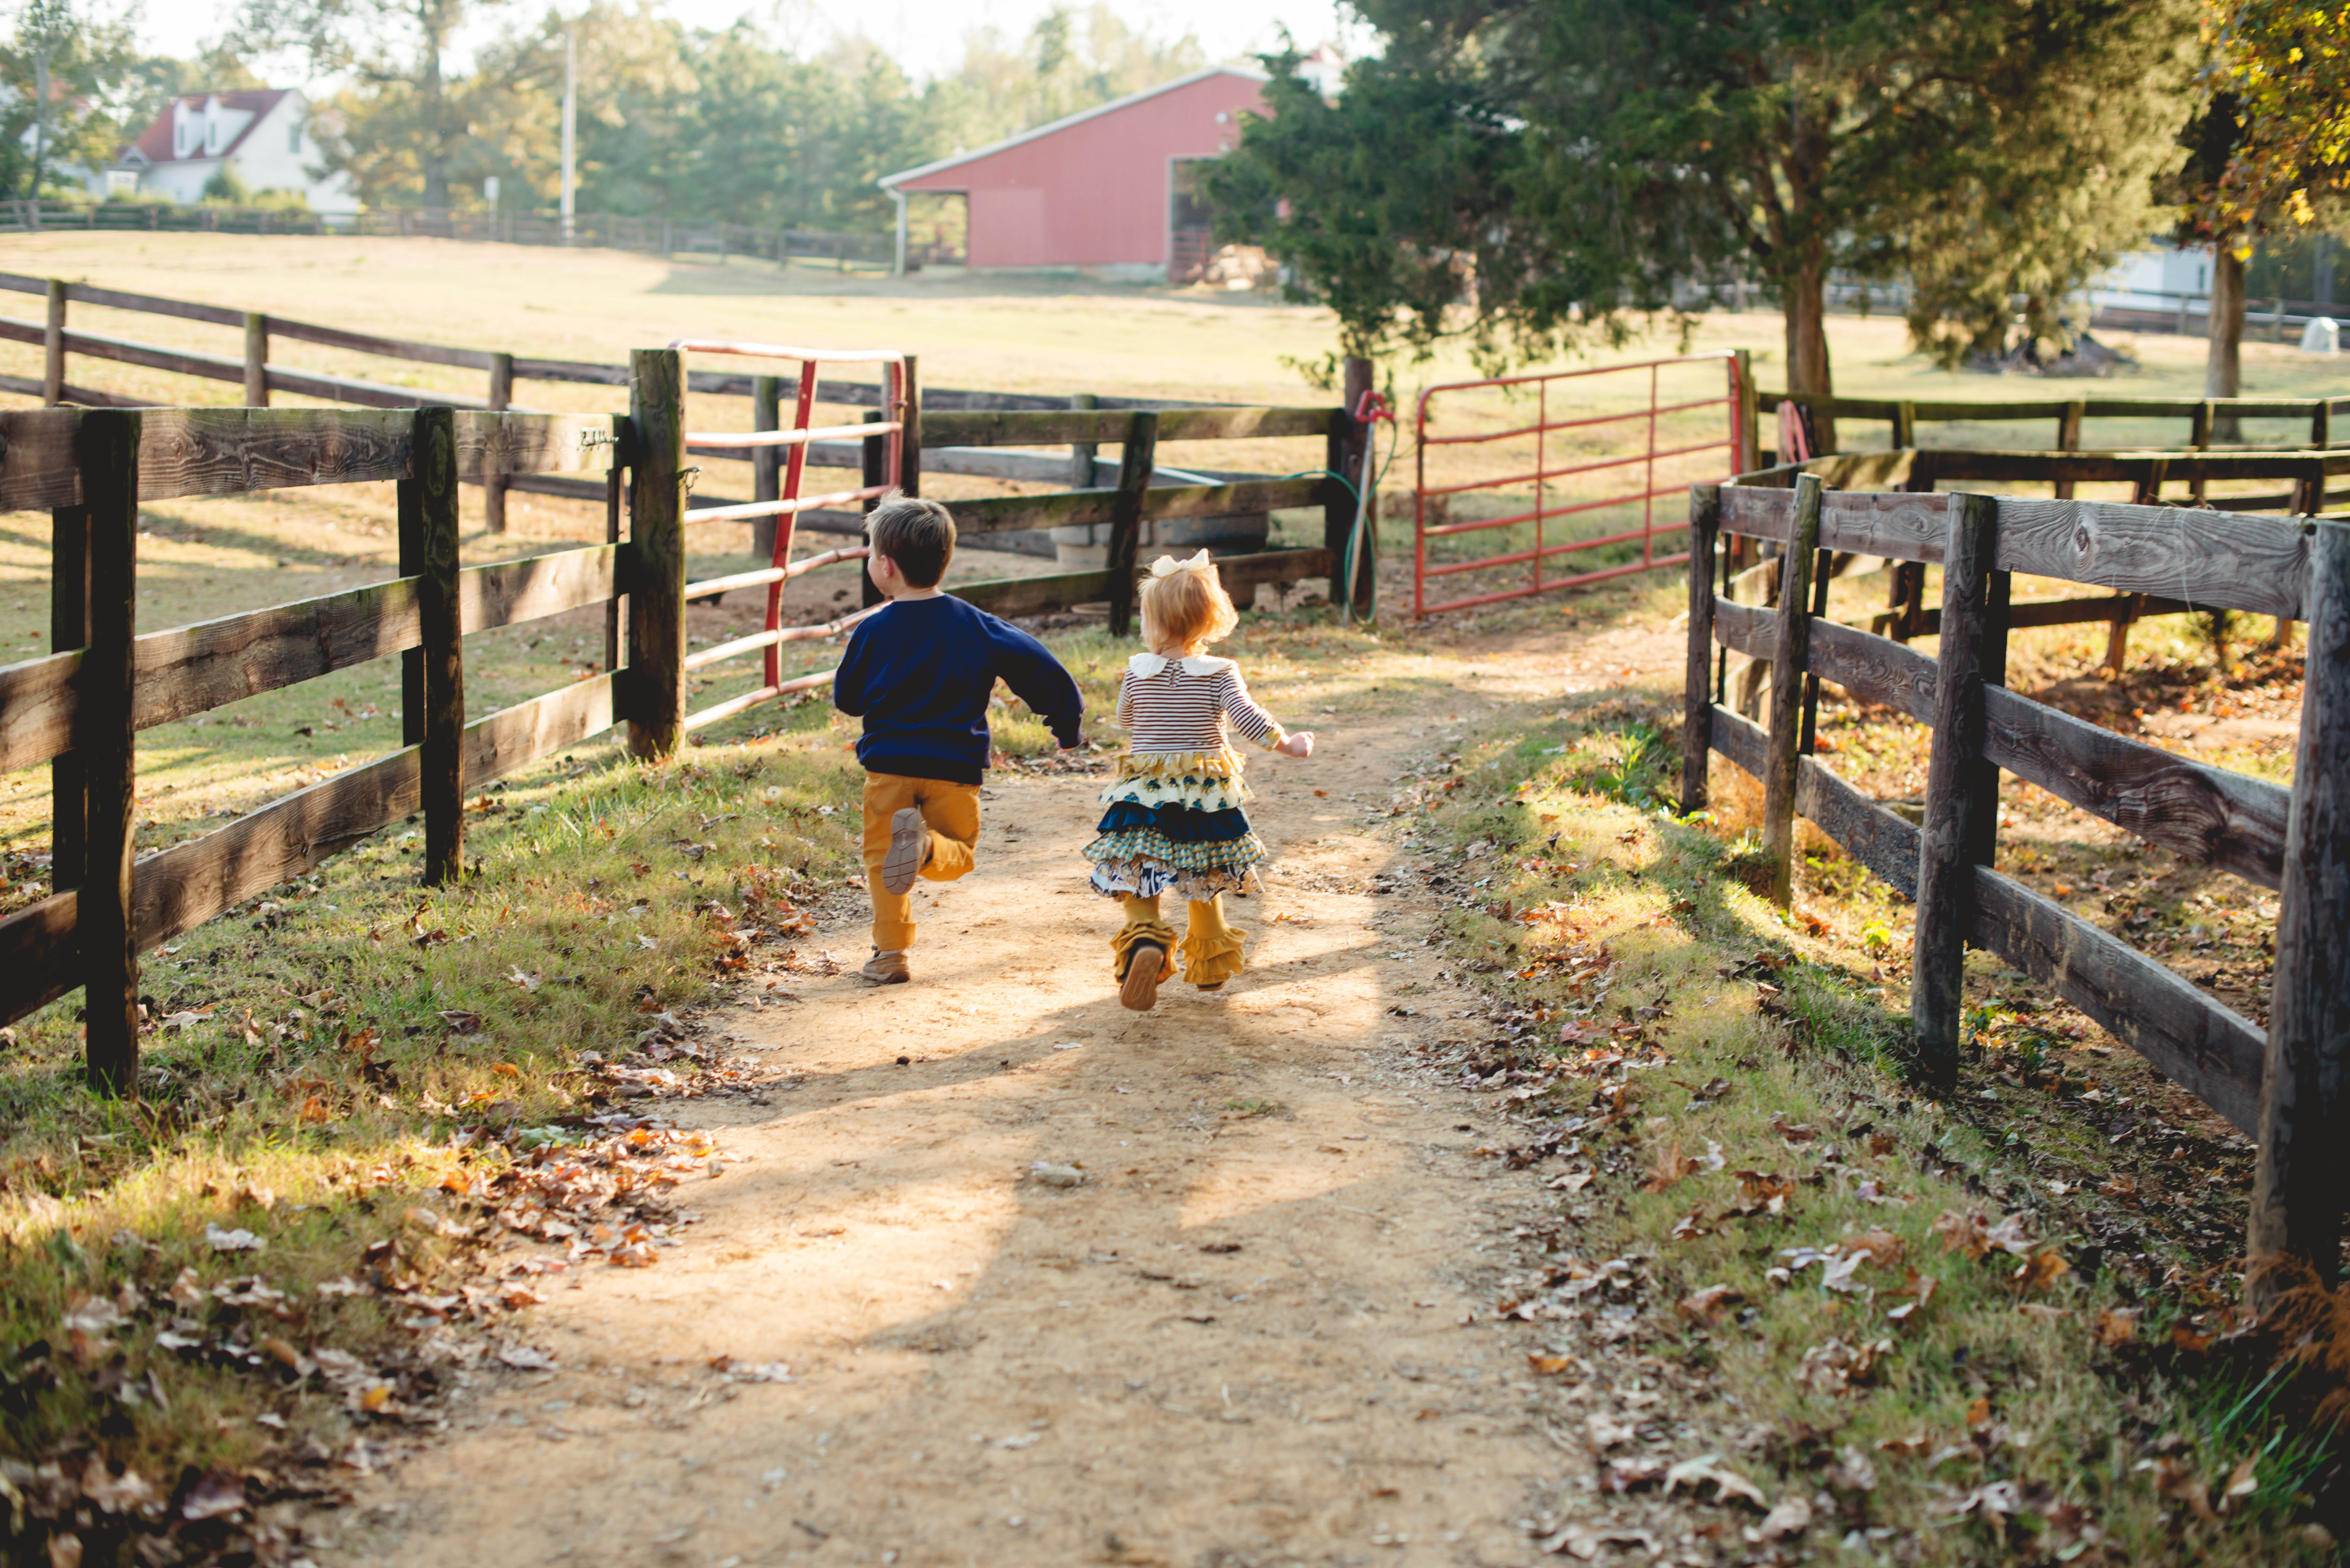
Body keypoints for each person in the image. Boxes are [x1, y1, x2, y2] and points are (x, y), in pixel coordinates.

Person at [833, 494, 1085, 986]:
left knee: (883, 859)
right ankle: (929, 850)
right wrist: (1065, 723)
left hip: (889, 767)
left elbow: (850, 699)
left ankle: (890, 955)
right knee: (959, 855)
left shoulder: (874, 630)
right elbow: (1041, 667)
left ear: (886, 567)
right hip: (954, 770)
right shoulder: (977, 625)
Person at [1083, 549, 1313, 1011]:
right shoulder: (1220, 672)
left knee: (1138, 866)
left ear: (1152, 620)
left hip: (1146, 791)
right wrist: (1288, 744)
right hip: (1203, 797)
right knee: (1204, 873)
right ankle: (1209, 964)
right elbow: (1246, 718)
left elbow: (1126, 718)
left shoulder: (1137, 670)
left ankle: (1145, 940)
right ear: (1212, 617)